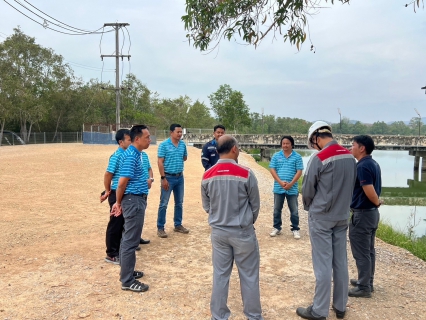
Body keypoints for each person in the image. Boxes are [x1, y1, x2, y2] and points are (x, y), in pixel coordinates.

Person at [296, 121, 357, 320]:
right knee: (340, 262)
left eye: (313, 142)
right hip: (342, 217)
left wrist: (310, 208)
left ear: (316, 137)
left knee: (322, 264)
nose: (313, 146)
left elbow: (307, 190)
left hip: (322, 218)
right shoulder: (350, 156)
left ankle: (319, 310)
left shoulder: (320, 158)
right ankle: (340, 306)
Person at [201, 135, 263, 320]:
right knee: (249, 276)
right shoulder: (246, 173)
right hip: (242, 231)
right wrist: (247, 221)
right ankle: (253, 316)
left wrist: (219, 218)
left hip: (219, 232)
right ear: (234, 149)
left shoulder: (207, 175)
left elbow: (207, 206)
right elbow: (255, 205)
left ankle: (218, 316)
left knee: (220, 275)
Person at [110, 125, 151, 293]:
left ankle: (127, 271)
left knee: (129, 239)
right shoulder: (131, 156)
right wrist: (118, 203)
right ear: (137, 139)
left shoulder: (137, 154)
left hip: (136, 199)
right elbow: (121, 183)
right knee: (130, 241)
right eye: (147, 137)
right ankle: (127, 280)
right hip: (132, 200)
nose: (150, 139)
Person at [348, 135, 382, 298]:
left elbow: (368, 189)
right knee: (369, 251)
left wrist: (376, 202)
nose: (351, 147)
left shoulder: (362, 166)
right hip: (371, 215)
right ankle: (367, 281)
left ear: (362, 148)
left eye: (353, 145)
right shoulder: (373, 163)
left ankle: (364, 287)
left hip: (363, 214)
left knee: (361, 252)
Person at [100, 128, 131, 265]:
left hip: (125, 193)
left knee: (123, 222)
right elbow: (108, 174)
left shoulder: (128, 154)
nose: (131, 142)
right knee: (116, 222)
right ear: (121, 142)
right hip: (115, 192)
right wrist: (107, 191)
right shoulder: (117, 156)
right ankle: (111, 254)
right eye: (129, 140)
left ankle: (119, 248)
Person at [156, 123, 189, 238]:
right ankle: (160, 227)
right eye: (178, 132)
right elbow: (160, 162)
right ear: (171, 132)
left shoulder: (182, 145)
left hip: (180, 177)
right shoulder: (164, 145)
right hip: (168, 178)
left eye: (181, 132)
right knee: (164, 203)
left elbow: (185, 157)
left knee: (179, 203)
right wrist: (163, 177)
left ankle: (178, 225)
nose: (180, 134)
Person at [269, 135, 304, 239]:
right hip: (278, 187)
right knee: (276, 209)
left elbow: (299, 171)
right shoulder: (276, 156)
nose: (285, 145)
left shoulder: (297, 157)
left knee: (294, 210)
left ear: (292, 144)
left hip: (292, 188)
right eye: (283, 143)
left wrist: (291, 184)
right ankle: (277, 227)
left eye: (287, 143)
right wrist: (280, 182)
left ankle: (295, 229)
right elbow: (272, 169)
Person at [139, 150, 153, 245]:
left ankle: (137, 236)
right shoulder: (130, 155)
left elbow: (149, 169)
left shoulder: (144, 155)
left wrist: (150, 179)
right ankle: (131, 241)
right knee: (132, 217)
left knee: (140, 215)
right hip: (134, 191)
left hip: (144, 190)